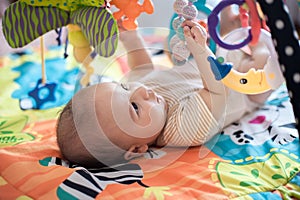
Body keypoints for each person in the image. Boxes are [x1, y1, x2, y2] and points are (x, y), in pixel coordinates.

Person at [56, 20, 272, 168]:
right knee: (263, 57)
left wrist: (131, 39)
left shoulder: (140, 95)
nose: (140, 90)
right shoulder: (183, 130)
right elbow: (215, 90)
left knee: (229, 27)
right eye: (135, 108)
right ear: (138, 148)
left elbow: (142, 70)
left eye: (122, 87)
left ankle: (236, 24)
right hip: (245, 89)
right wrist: (200, 51)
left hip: (217, 60)